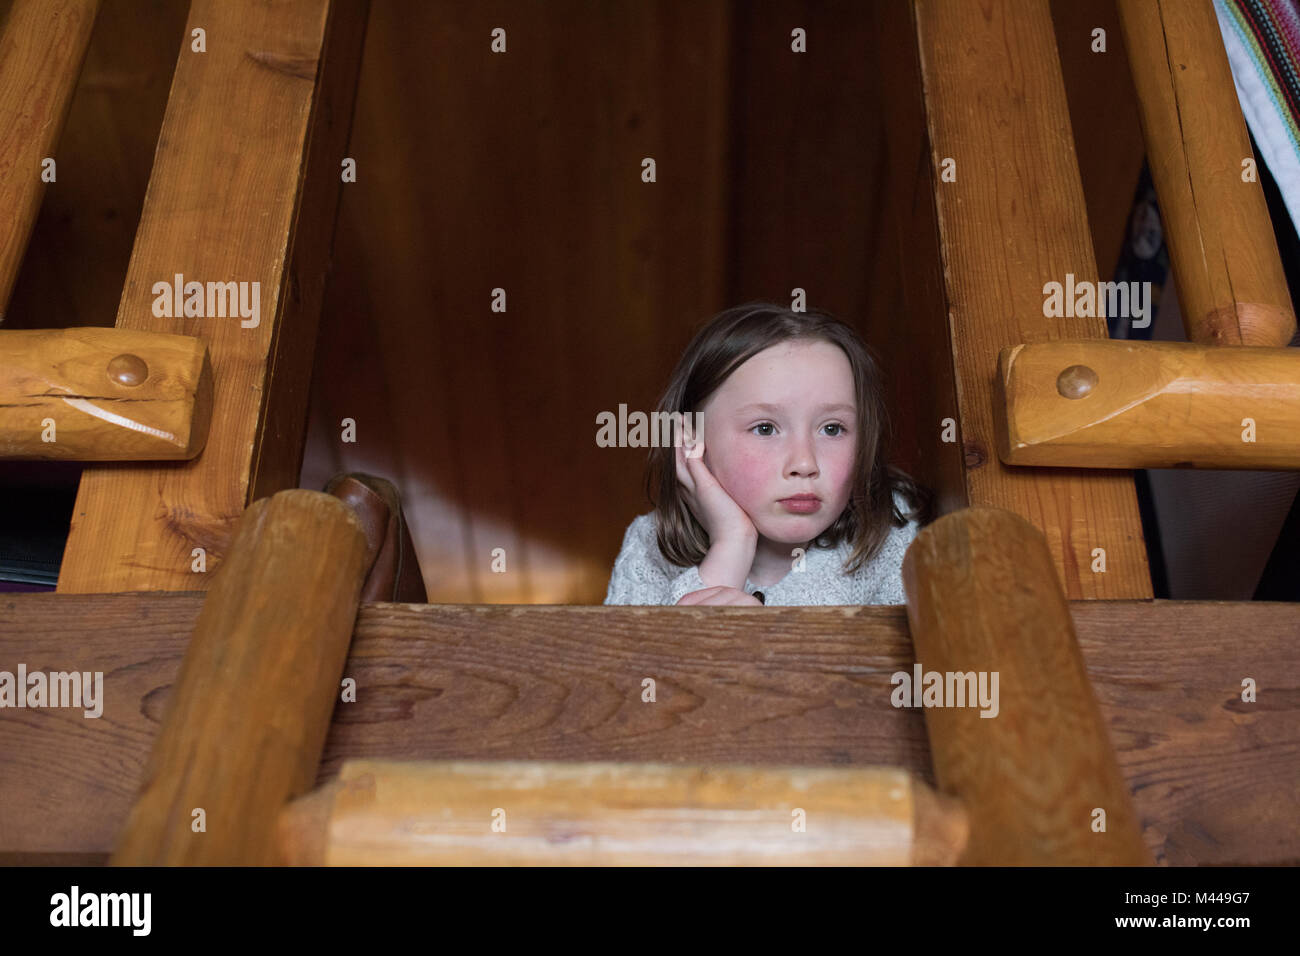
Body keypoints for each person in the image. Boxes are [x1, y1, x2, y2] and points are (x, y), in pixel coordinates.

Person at [604, 302, 933, 606]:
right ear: (691, 441)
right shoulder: (650, 546)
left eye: (832, 429)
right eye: (765, 428)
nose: (804, 464)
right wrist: (731, 546)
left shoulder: (896, 535)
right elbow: (642, 666)